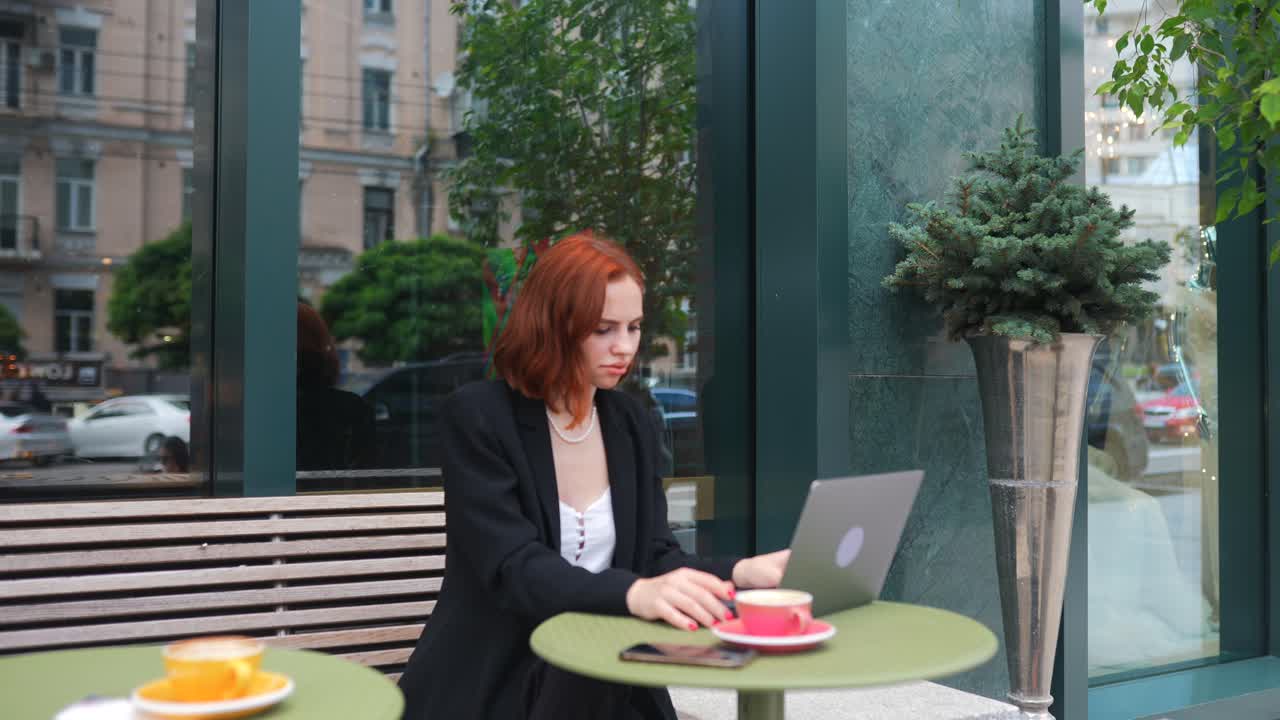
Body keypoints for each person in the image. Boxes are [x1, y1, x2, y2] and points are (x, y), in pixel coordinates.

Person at [399, 232, 788, 720]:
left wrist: (740, 573)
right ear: (554, 325)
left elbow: (655, 557)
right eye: (603, 329)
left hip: (603, 676)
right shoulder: (480, 417)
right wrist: (633, 593)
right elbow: (513, 568)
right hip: (499, 677)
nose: (624, 347)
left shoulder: (629, 422)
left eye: (634, 327)